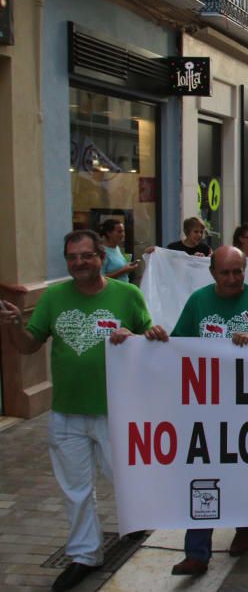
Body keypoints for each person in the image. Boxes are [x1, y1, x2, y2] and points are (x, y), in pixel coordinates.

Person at [0, 230, 152, 591]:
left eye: (86, 255)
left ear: (102, 256)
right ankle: (85, 554)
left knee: (126, 477)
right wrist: (14, 328)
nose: (79, 263)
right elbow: (29, 346)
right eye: (72, 257)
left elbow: (151, 340)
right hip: (66, 413)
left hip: (116, 411)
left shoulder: (127, 294)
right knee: (76, 489)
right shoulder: (54, 297)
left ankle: (138, 520)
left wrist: (133, 337)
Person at [143, 246, 248, 576]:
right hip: (204, 408)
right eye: (226, 272)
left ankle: (245, 527)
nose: (233, 279)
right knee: (201, 476)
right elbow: (178, 347)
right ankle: (197, 552)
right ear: (212, 273)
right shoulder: (198, 302)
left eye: (239, 272)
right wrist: (153, 338)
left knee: (245, 473)